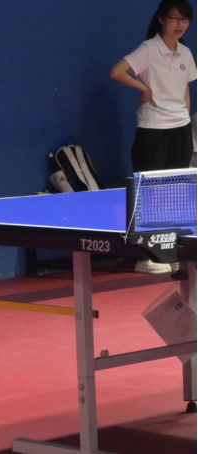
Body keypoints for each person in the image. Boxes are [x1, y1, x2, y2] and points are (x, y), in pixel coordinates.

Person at [110, 0, 196, 274]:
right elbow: (117, 71)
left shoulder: (185, 53)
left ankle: (168, 253)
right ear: (161, 19)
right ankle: (144, 258)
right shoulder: (148, 49)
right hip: (153, 129)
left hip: (180, 129)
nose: (180, 24)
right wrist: (144, 89)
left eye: (185, 20)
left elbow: (185, 90)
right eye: (175, 18)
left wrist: (183, 114)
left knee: (174, 194)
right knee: (149, 195)